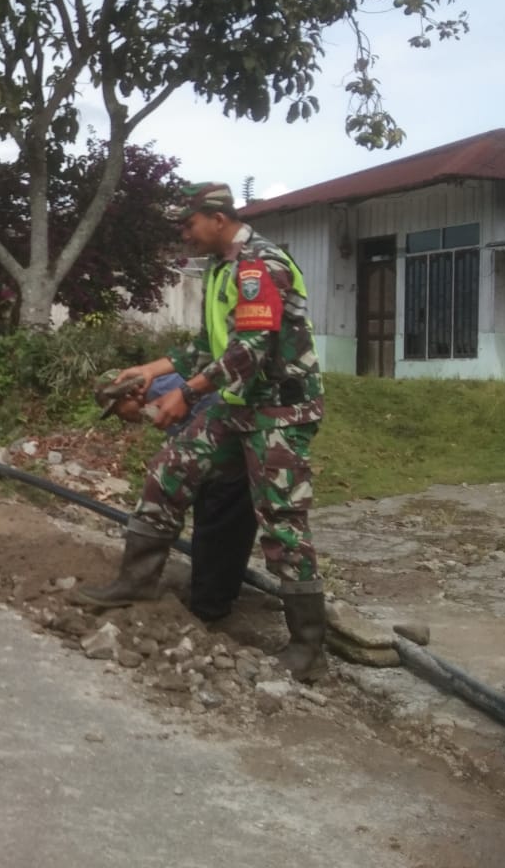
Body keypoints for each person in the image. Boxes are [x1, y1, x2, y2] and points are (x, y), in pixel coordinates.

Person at [75, 182, 328, 681]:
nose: (184, 234)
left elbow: (249, 350)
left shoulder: (258, 265)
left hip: (278, 412)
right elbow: (208, 347)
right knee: (170, 470)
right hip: (237, 406)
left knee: (281, 517)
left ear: (217, 218)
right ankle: (138, 582)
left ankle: (308, 648)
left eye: (188, 224)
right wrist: (149, 371)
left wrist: (186, 394)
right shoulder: (221, 270)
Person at [104, 372, 258, 623]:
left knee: (222, 526)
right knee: (214, 529)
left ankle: (210, 612)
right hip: (222, 452)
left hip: (232, 452)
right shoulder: (162, 396)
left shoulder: (170, 390)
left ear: (128, 394)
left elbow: (208, 415)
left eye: (119, 409)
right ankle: (209, 603)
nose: (123, 417)